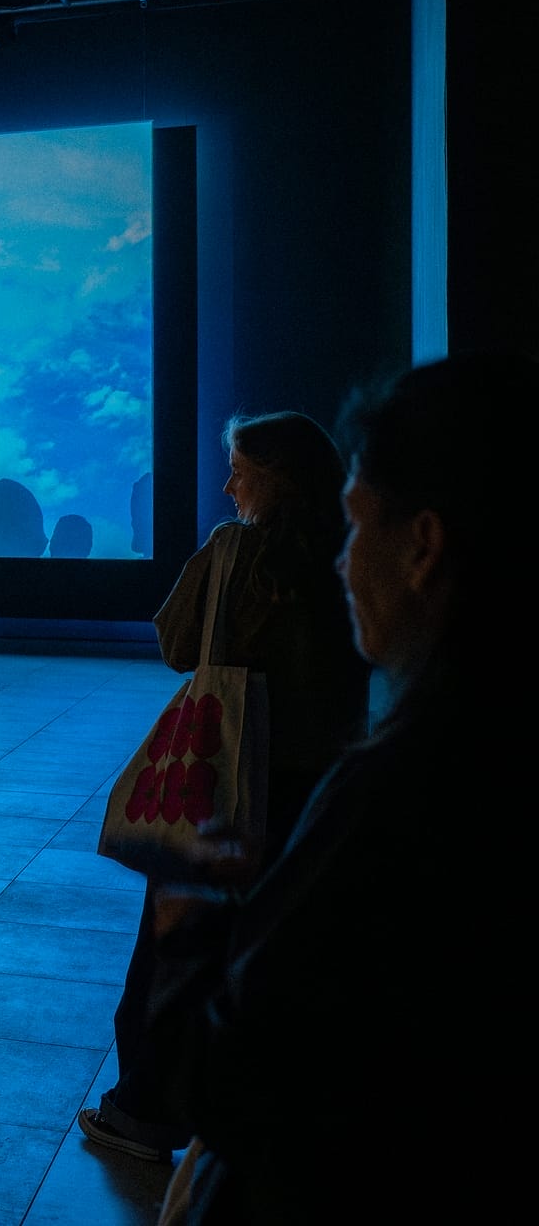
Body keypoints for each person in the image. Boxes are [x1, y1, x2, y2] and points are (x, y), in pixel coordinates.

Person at [135, 352, 536, 1224]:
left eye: (361, 533)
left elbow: (238, 1079)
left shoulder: (398, 793)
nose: (346, 564)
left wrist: (188, 931)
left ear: (423, 545)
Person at [79, 411, 370, 1167]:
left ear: (274, 475)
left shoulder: (232, 551)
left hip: (230, 778)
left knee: (179, 947)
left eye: (239, 467)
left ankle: (144, 1109)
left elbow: (178, 644)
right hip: (322, 785)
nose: (228, 482)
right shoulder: (349, 549)